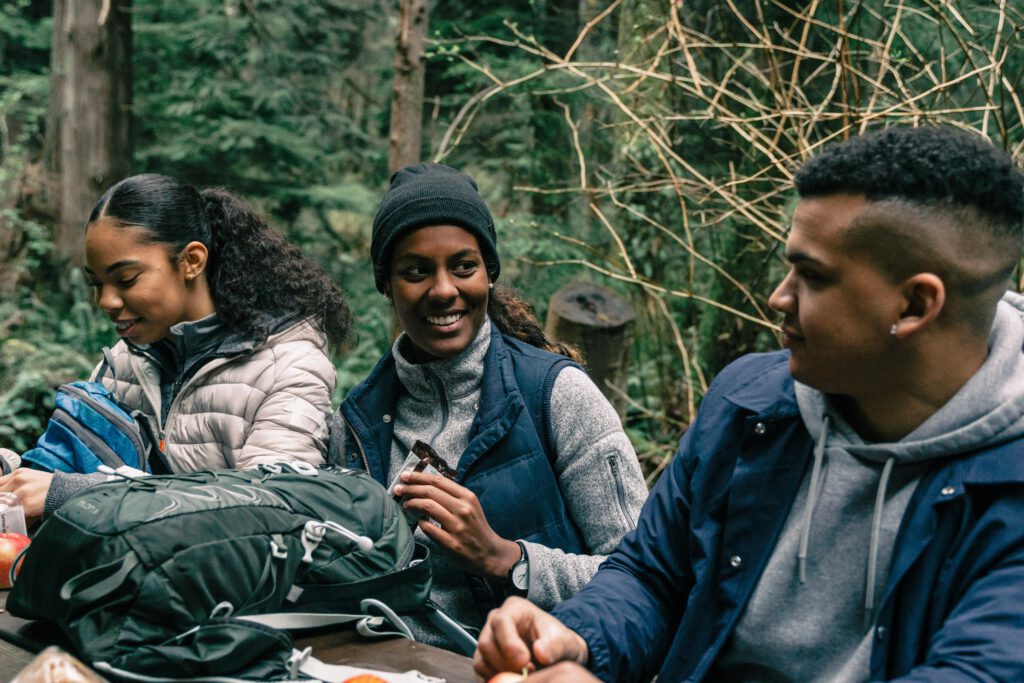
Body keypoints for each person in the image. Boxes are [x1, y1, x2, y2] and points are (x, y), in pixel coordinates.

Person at [474, 125, 1024, 682]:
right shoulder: (750, 405)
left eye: (810, 276)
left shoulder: (1009, 489)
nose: (778, 298)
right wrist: (577, 637)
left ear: (914, 305)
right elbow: (653, 576)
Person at [331, 163, 648, 651]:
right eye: (416, 271)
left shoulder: (558, 397)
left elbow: (643, 580)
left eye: (463, 267)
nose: (443, 290)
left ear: (489, 274)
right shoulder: (358, 422)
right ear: (386, 284)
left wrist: (506, 558)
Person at [0, 173, 351, 523]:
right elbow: (61, 467)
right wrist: (13, 475)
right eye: (96, 283)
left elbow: (267, 513)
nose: (106, 302)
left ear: (192, 261)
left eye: (126, 280)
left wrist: (76, 494)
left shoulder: (288, 367)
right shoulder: (123, 362)